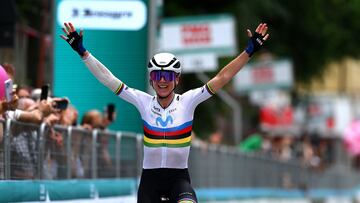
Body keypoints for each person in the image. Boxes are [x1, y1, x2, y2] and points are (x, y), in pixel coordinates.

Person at [61, 22, 269, 203]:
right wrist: (83, 53)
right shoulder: (142, 102)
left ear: (176, 80)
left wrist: (248, 51)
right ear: (151, 79)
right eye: (157, 75)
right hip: (149, 182)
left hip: (179, 180)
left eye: (168, 76)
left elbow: (222, 77)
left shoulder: (189, 101)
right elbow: (108, 78)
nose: (162, 80)